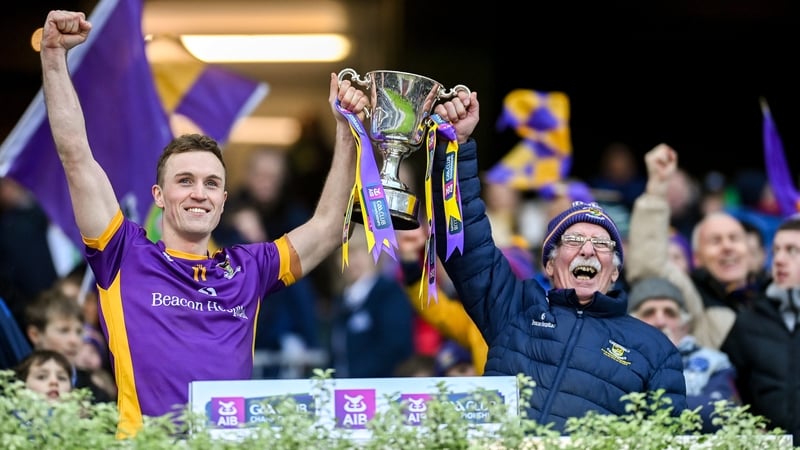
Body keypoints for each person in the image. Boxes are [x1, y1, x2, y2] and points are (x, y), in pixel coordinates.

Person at [40, 9, 364, 437]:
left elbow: (325, 226)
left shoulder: (250, 268)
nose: (199, 192)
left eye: (212, 183)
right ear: (158, 195)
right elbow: (76, 156)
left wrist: (345, 132)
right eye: (185, 181)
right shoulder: (122, 252)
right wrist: (52, 57)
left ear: (223, 201)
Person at [427, 90, 687, 433]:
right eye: (574, 240)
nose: (588, 250)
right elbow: (463, 241)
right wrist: (455, 147)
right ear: (548, 265)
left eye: (602, 244)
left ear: (615, 272)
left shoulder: (656, 349)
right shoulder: (515, 307)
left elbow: (667, 440)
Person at [721, 215, 800, 444]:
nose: (779, 260)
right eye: (776, 251)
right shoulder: (748, 321)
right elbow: (730, 388)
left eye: (792, 250)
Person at [628, 277, 739, 433]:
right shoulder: (616, 359)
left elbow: (724, 413)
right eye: (649, 312)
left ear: (684, 325)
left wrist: (648, 403)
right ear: (631, 324)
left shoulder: (714, 362)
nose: (660, 321)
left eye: (670, 313)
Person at [24, 287, 115, 403]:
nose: (74, 340)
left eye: (79, 332)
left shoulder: (95, 393)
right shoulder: (16, 381)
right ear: (35, 335)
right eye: (64, 331)